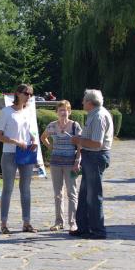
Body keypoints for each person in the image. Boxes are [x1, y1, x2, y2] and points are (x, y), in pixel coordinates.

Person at [70, 89, 113, 239]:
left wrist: (78, 140)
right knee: (84, 194)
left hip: (95, 156)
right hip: (91, 157)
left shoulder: (98, 116)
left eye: (84, 99)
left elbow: (96, 143)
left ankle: (97, 230)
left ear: (89, 102)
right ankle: (83, 227)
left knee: (93, 195)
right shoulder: (95, 114)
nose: (82, 102)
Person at [0, 84, 38, 234]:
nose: (29, 96)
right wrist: (15, 142)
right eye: (26, 93)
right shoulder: (6, 112)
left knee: (25, 189)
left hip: (26, 153)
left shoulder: (28, 112)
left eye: (31, 94)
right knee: (8, 188)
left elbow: (31, 131)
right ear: (18, 94)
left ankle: (27, 222)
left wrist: (33, 140)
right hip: (10, 154)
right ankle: (4, 223)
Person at [41, 100, 82, 231]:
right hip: (55, 163)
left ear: (69, 112)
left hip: (71, 163)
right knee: (57, 193)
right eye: (61, 110)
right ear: (57, 112)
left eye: (66, 110)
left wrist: (77, 161)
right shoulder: (52, 126)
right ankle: (59, 221)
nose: (63, 112)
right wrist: (50, 147)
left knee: (72, 193)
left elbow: (80, 145)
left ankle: (73, 222)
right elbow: (43, 137)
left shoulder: (75, 126)